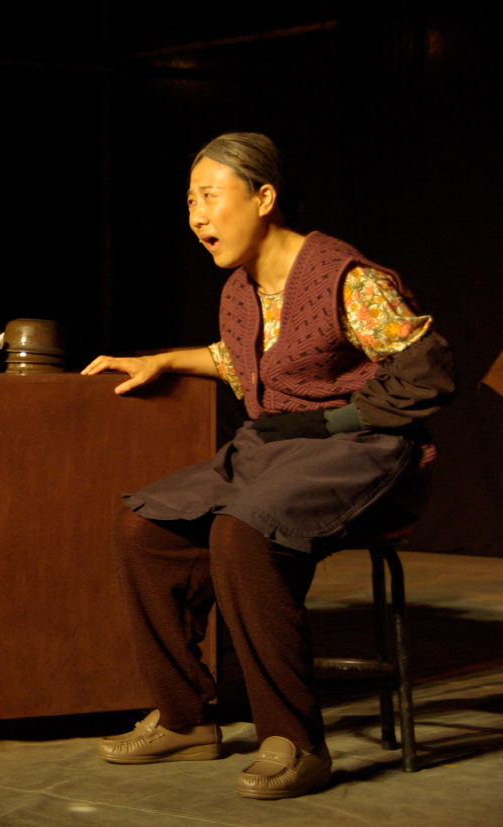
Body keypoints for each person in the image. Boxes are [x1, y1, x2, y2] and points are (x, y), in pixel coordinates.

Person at [82, 132, 454, 799]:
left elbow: (428, 373)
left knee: (242, 531)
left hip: (366, 449)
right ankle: (185, 718)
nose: (197, 216)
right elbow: (244, 358)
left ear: (263, 198)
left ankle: (293, 740)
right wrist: (162, 360)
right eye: (189, 201)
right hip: (277, 448)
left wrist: (332, 422)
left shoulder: (347, 280)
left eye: (209, 196)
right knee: (143, 527)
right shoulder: (239, 290)